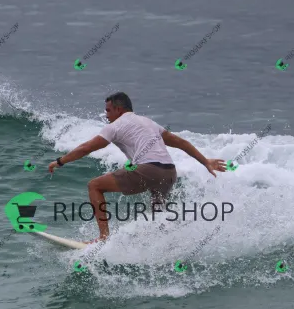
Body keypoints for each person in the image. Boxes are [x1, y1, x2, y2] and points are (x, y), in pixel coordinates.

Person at [47, 92, 226, 244]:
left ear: (119, 109)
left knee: (94, 185)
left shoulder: (114, 126)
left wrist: (60, 161)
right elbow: (181, 142)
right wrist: (206, 161)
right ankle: (161, 244)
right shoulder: (149, 122)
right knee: (158, 213)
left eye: (108, 110)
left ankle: (103, 238)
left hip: (148, 169)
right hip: (169, 172)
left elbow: (86, 148)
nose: (106, 115)